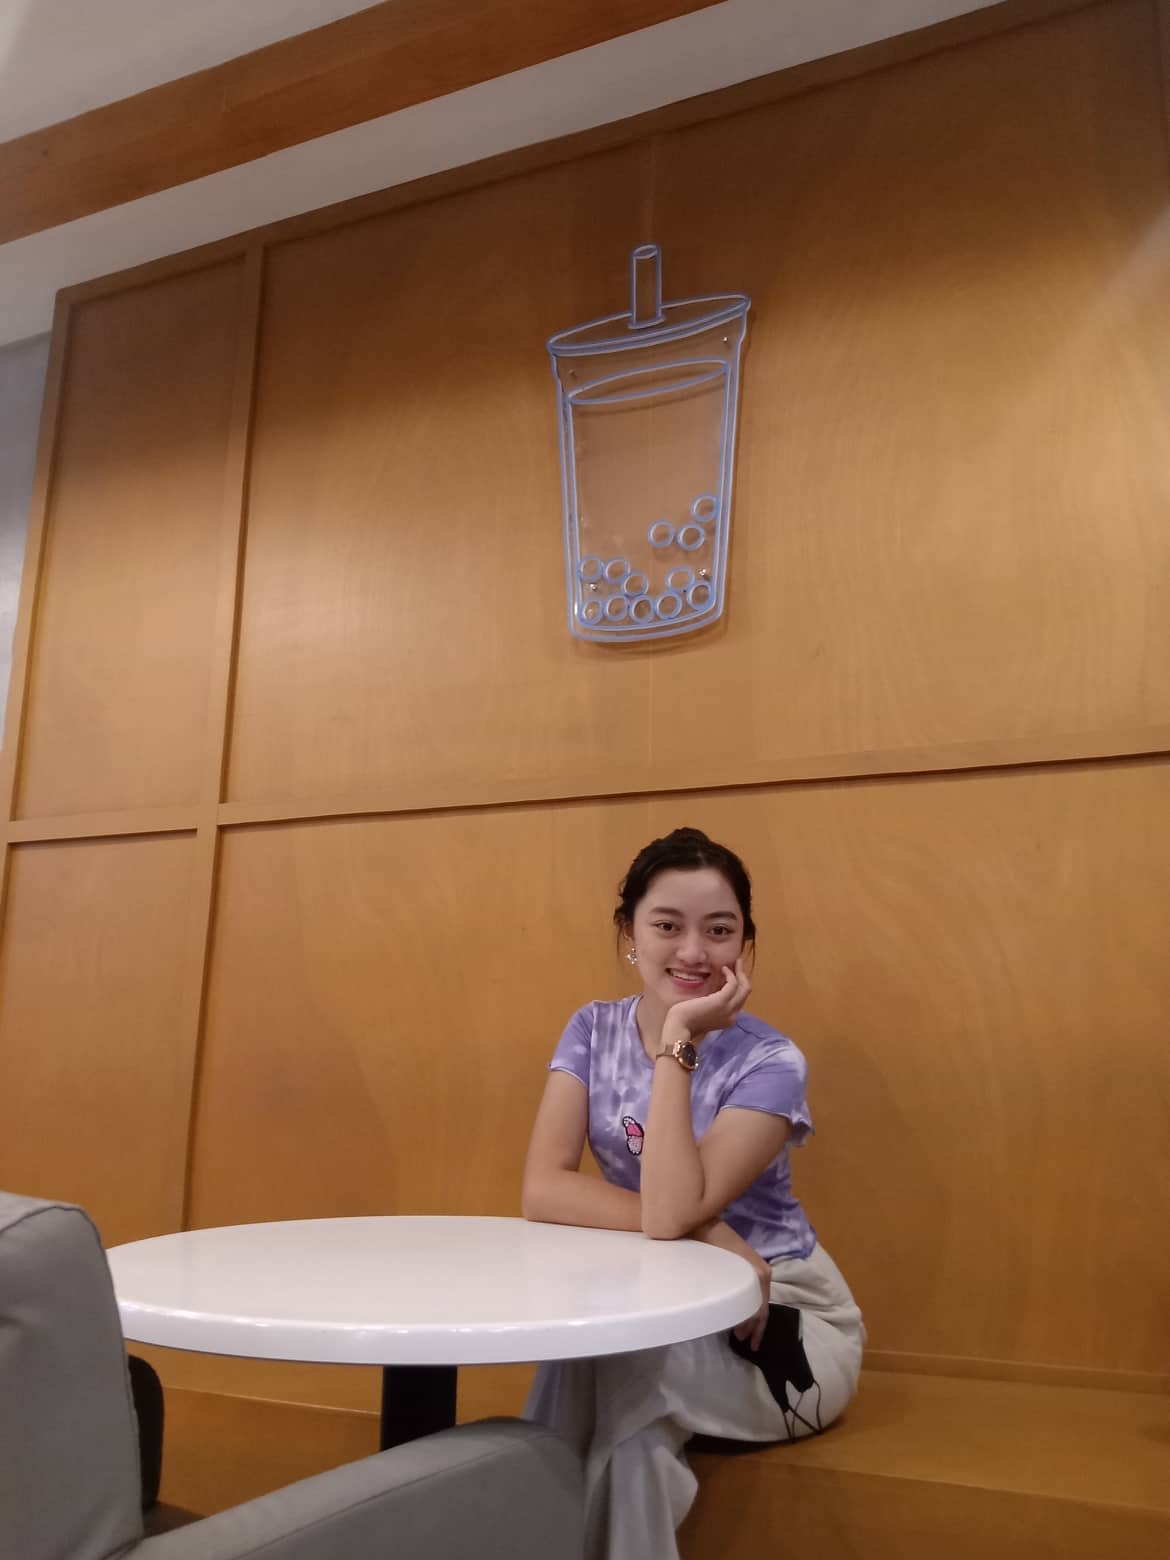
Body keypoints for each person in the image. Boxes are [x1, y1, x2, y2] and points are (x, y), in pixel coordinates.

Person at [521, 826, 864, 1560]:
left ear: (745, 944)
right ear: (629, 934)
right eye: (667, 926)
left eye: (719, 930)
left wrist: (677, 1038)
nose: (693, 951)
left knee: (619, 1368)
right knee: (623, 1412)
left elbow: (670, 1209)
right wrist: (712, 1235)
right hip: (664, 1301)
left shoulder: (771, 1062)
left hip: (781, 1320)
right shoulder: (592, 1029)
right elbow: (544, 1190)